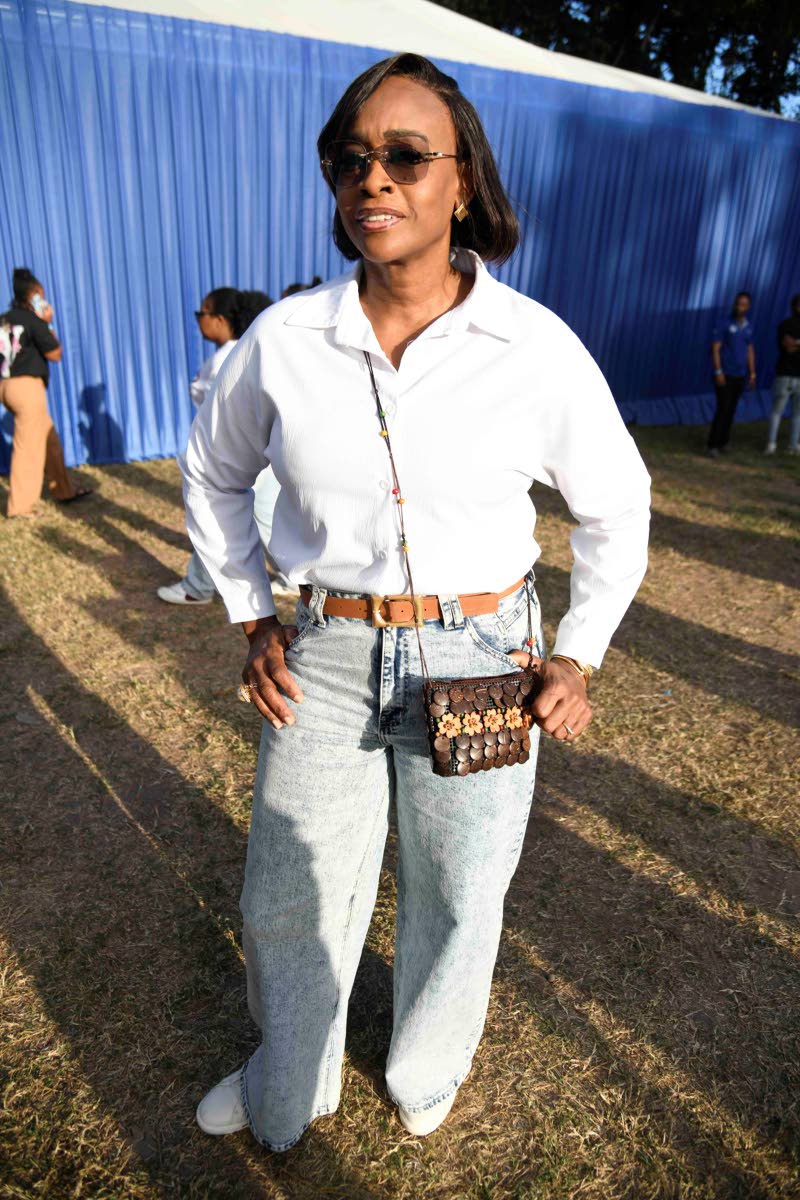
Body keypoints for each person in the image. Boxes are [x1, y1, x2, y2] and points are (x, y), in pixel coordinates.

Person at [181, 53, 651, 1151]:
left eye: (403, 156)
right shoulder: (286, 341)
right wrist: (251, 613)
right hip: (329, 650)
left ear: (460, 182)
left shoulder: (530, 347)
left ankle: (423, 1065)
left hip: (484, 652)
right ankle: (288, 1080)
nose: (373, 180)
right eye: (352, 159)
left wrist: (575, 653)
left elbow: (616, 506)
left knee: (459, 889)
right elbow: (209, 471)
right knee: (286, 898)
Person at [157, 288, 296, 604]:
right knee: (255, 517)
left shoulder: (228, 359)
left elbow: (226, 415)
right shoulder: (241, 351)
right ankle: (290, 576)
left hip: (239, 454)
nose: (198, 320)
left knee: (220, 518)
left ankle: (198, 588)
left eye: (202, 313)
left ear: (220, 319)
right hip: (253, 453)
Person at [0, 267, 92, 517]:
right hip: (27, 387)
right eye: (40, 296)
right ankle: (20, 507)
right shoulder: (33, 321)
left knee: (48, 439)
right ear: (33, 298)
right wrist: (47, 322)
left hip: (6, 385)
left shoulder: (4, 319)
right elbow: (55, 354)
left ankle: (63, 490)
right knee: (28, 446)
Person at [707, 291, 756, 458]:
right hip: (725, 374)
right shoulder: (724, 323)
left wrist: (752, 373)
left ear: (748, 307)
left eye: (744, 304)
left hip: (740, 375)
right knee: (723, 408)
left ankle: (723, 442)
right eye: (738, 304)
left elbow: (750, 350)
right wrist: (718, 370)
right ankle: (713, 444)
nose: (740, 307)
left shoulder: (748, 326)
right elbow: (716, 348)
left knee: (732, 409)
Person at [764, 293, 800, 455]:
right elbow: (787, 346)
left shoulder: (785, 324)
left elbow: (791, 345)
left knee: (793, 414)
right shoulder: (785, 325)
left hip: (793, 375)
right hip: (786, 374)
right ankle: (774, 444)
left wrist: (796, 343)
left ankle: (790, 445)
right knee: (780, 411)